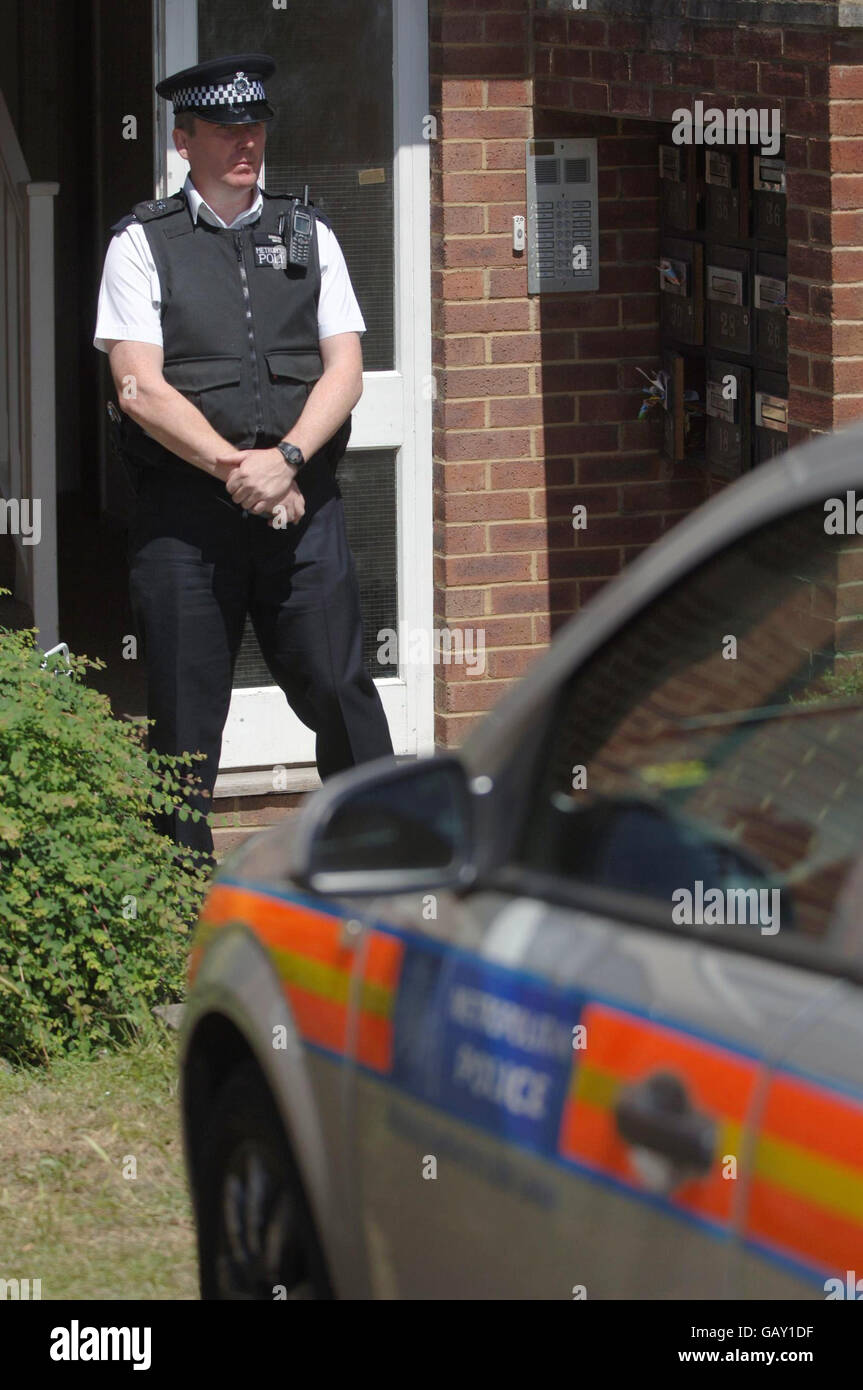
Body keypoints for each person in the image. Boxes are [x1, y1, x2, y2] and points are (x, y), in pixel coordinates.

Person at [94, 52, 393, 862]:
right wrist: (240, 469)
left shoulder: (310, 231)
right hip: (186, 524)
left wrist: (288, 459)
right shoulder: (141, 245)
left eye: (254, 126)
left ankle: (387, 870)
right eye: (225, 129)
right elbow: (140, 391)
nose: (244, 142)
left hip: (303, 509)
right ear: (183, 139)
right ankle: (174, 911)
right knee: (185, 724)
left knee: (340, 691)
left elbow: (346, 369)